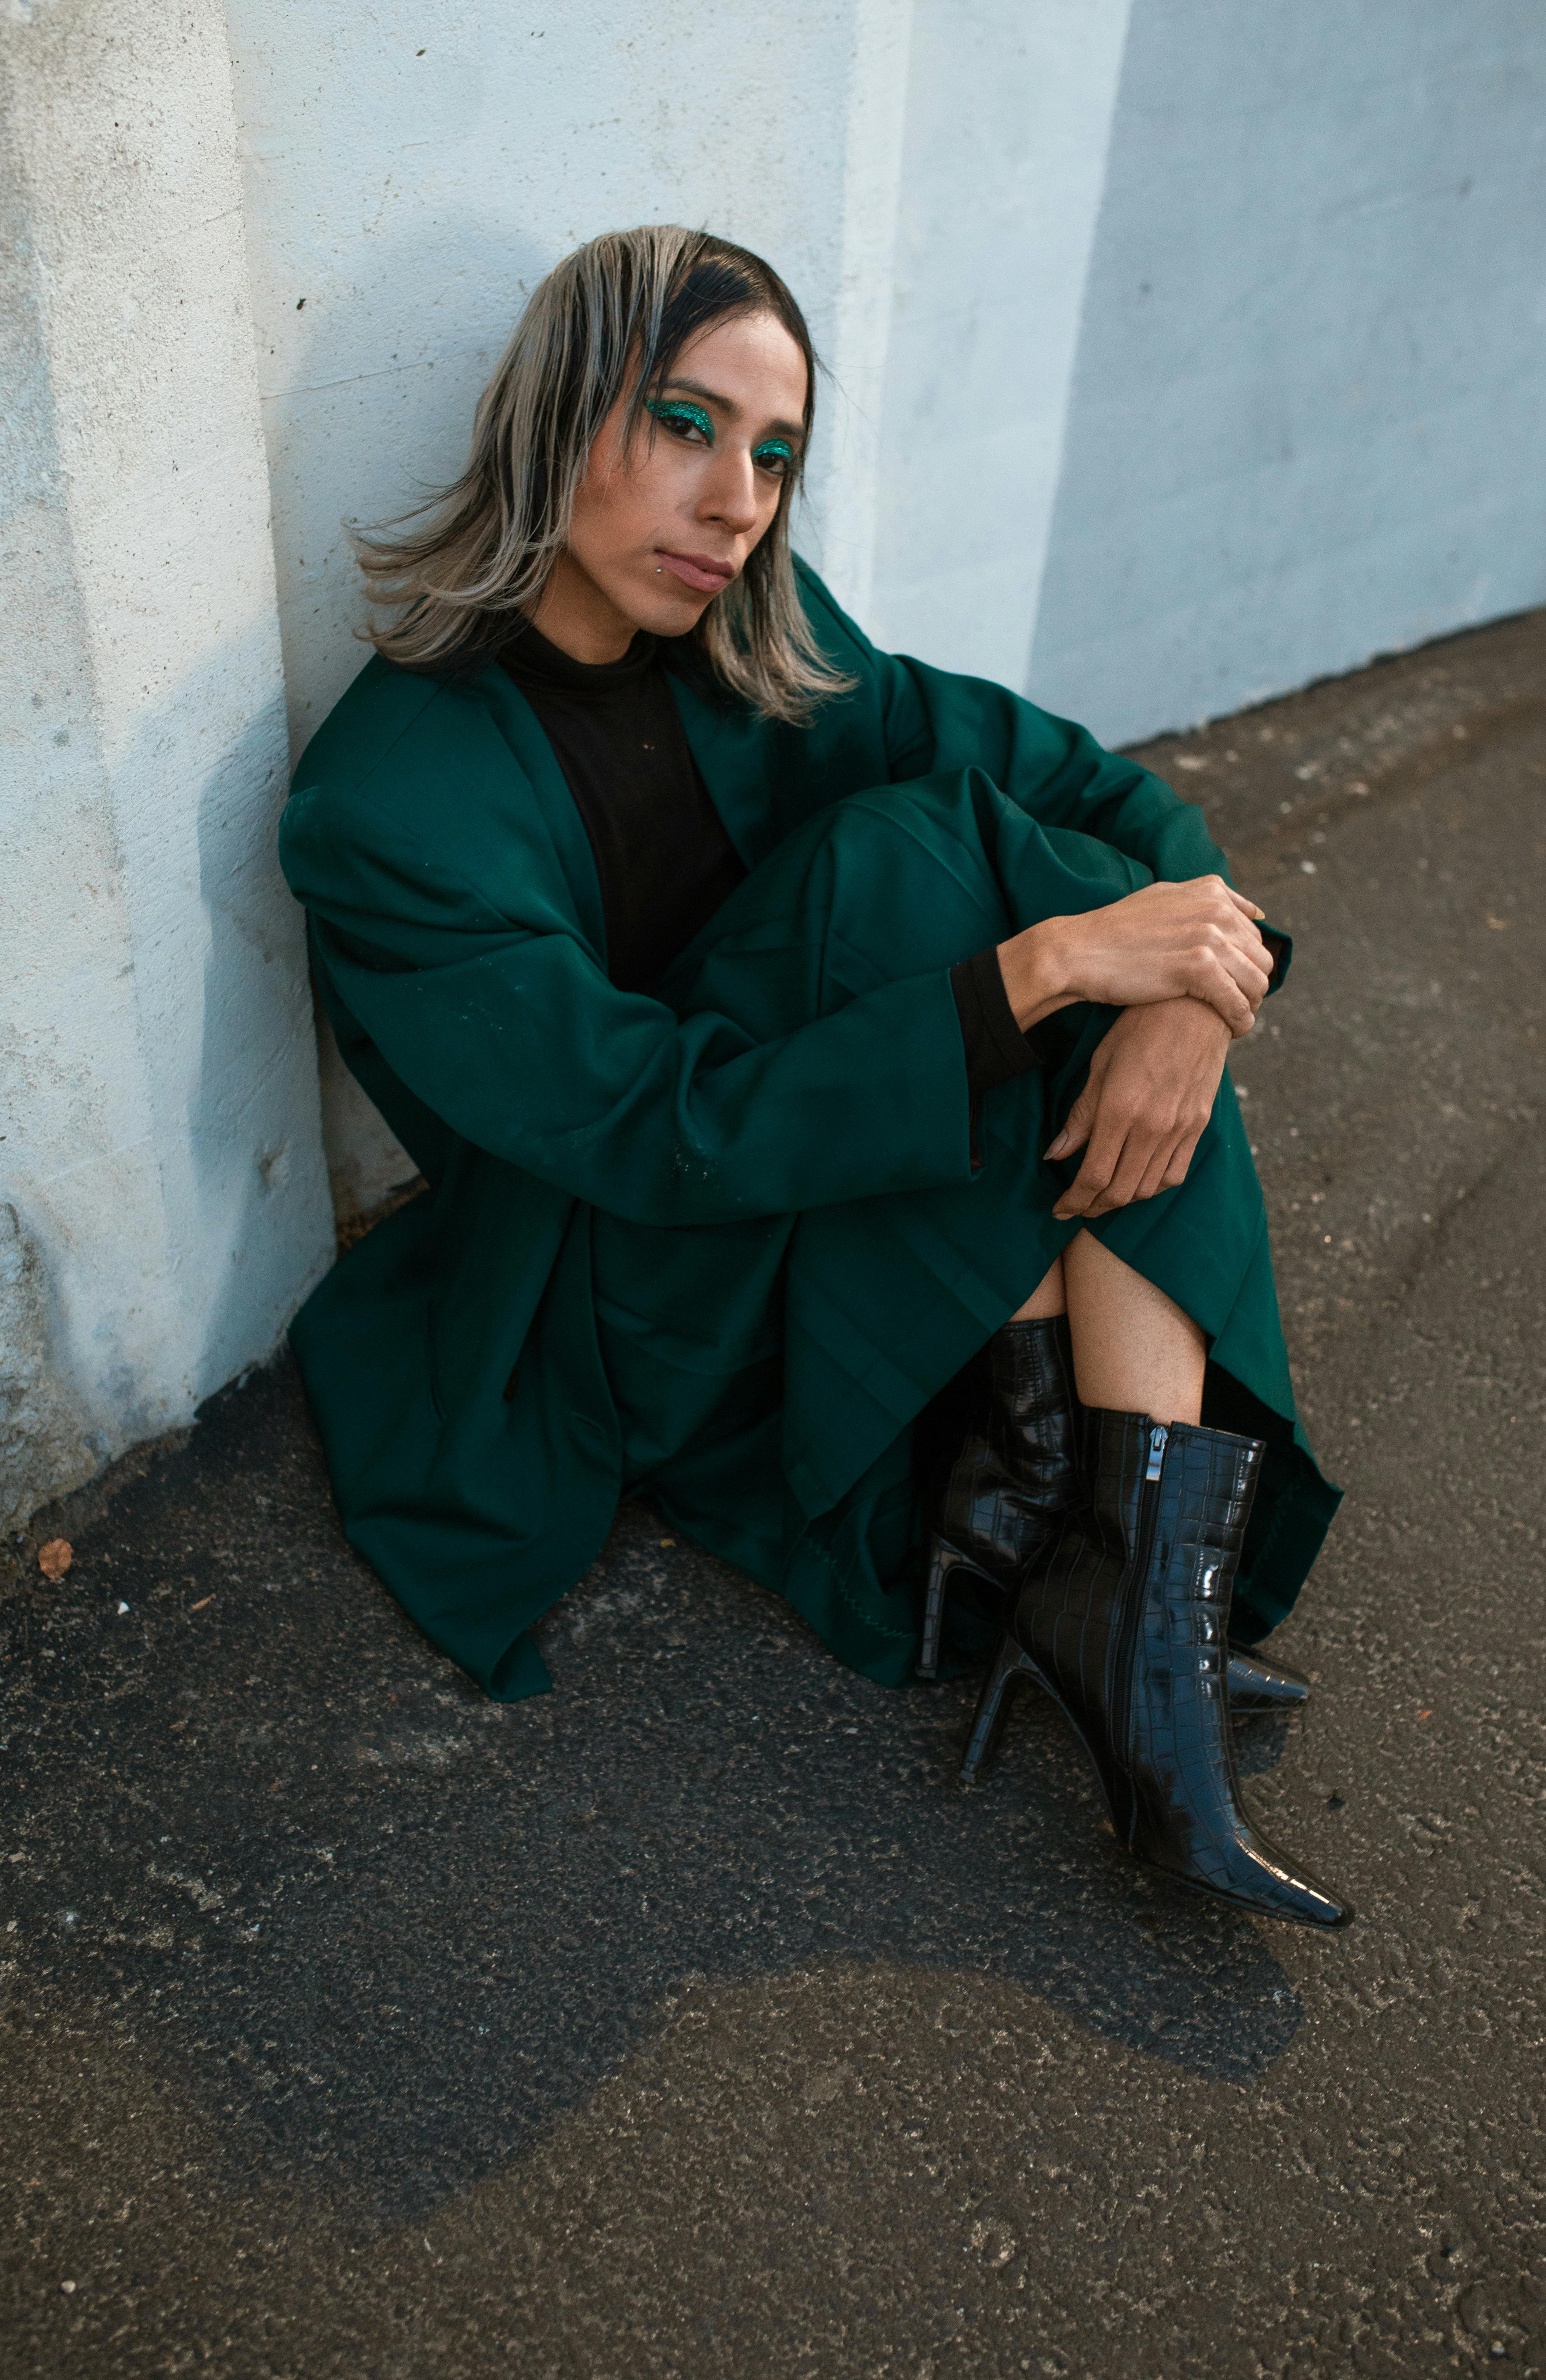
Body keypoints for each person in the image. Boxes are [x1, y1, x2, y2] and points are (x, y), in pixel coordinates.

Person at [278, 226, 1350, 1929]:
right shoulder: (384, 806)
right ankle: (1102, 1570)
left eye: (773, 455)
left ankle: (1124, 1585)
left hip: (811, 1178)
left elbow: (1075, 787)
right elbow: (660, 1132)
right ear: (558, 417)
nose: (737, 505)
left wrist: (1190, 1000)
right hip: (621, 1286)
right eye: (687, 425)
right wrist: (1065, 962)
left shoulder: (747, 636)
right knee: (932, 879)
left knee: (1020, 902)